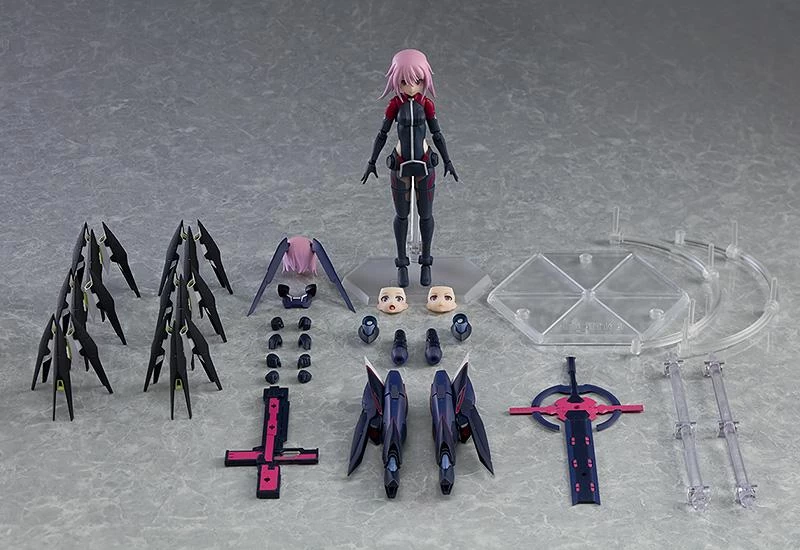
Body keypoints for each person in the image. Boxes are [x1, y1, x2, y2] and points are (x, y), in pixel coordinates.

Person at [360, 49, 459, 287]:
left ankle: (426, 262)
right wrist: (371, 161)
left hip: (425, 163)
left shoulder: (427, 104)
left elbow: (437, 134)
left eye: (417, 80)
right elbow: (382, 134)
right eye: (404, 81)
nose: (412, 86)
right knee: (402, 216)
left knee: (426, 215)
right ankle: (402, 264)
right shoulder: (395, 104)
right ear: (397, 81)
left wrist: (448, 160)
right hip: (400, 164)